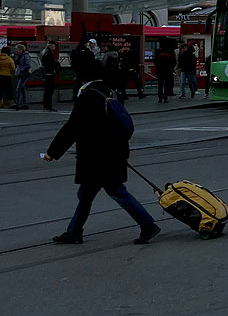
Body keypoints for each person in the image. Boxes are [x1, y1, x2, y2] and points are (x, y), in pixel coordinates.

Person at [42, 81, 161, 245]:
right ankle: (74, 232)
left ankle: (148, 225)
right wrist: (124, 155)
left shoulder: (87, 98)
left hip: (96, 160)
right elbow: (121, 128)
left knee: (116, 193)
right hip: (112, 156)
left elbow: (72, 127)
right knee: (86, 195)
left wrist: (52, 152)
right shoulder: (111, 95)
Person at [12, 43, 32, 110]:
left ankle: (17, 103)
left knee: (19, 88)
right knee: (22, 89)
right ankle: (24, 103)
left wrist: (21, 70)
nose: (16, 51)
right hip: (20, 74)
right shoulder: (20, 56)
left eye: (17, 50)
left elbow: (28, 65)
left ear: (21, 50)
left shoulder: (25, 55)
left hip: (24, 74)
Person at [41, 43, 60, 111]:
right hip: (50, 74)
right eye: (54, 46)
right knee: (49, 90)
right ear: (51, 46)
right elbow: (51, 62)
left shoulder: (45, 52)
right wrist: (57, 62)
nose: (55, 48)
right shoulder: (49, 53)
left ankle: (46, 106)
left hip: (46, 73)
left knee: (47, 91)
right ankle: (48, 106)